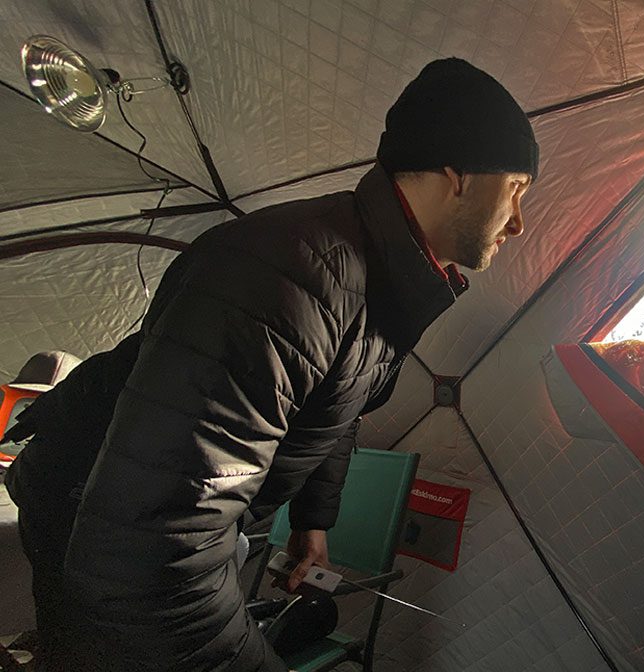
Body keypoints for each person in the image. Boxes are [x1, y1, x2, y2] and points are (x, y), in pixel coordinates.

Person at [4, 57, 538, 672]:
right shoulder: (289, 277)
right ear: (459, 175)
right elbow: (154, 550)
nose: (520, 223)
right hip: (87, 506)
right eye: (518, 189)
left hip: (148, 521)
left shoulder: (372, 278)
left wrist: (314, 520)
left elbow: (339, 402)